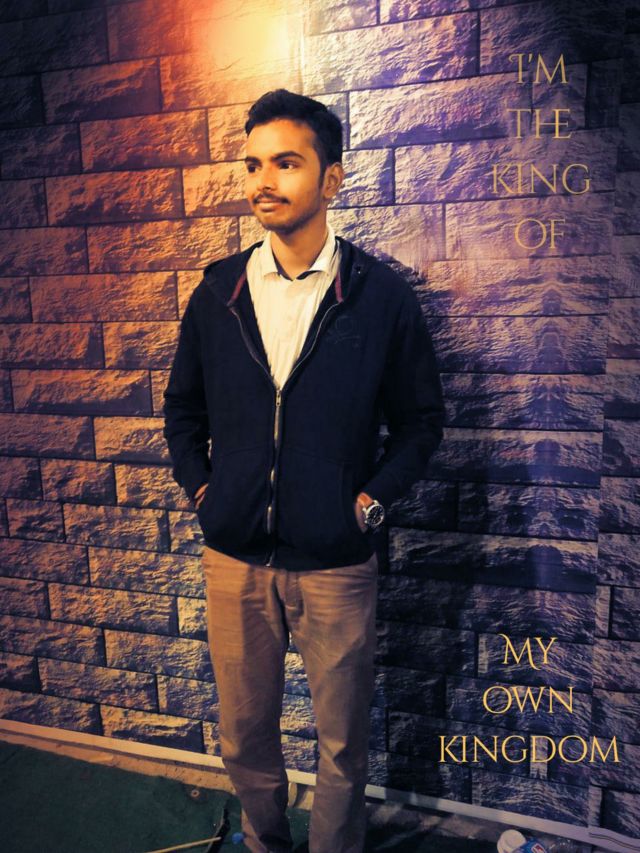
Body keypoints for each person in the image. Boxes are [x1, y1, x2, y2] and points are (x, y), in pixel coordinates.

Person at [163, 89, 445, 853]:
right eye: (254, 163)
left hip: (337, 563)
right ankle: (265, 842)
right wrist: (206, 491)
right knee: (242, 734)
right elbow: (182, 409)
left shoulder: (381, 297)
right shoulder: (218, 291)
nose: (265, 180)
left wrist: (368, 502)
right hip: (234, 557)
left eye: (286, 162)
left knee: (342, 742)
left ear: (332, 179)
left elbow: (421, 422)